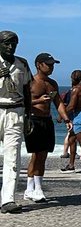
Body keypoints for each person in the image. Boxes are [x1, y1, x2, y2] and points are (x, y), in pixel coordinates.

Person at [25, 54, 71, 202]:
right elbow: (22, 102)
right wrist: (38, 100)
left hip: (47, 120)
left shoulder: (52, 83)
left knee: (42, 154)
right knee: (37, 154)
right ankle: (33, 189)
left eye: (53, 65)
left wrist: (66, 119)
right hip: (34, 120)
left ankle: (34, 188)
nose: (51, 67)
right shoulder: (30, 82)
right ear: (39, 65)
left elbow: (58, 102)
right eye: (48, 64)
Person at [0, 31, 32, 214]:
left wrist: (28, 115)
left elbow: (27, 91)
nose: (10, 47)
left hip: (15, 112)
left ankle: (8, 199)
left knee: (13, 156)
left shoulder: (22, 64)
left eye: (14, 43)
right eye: (6, 43)